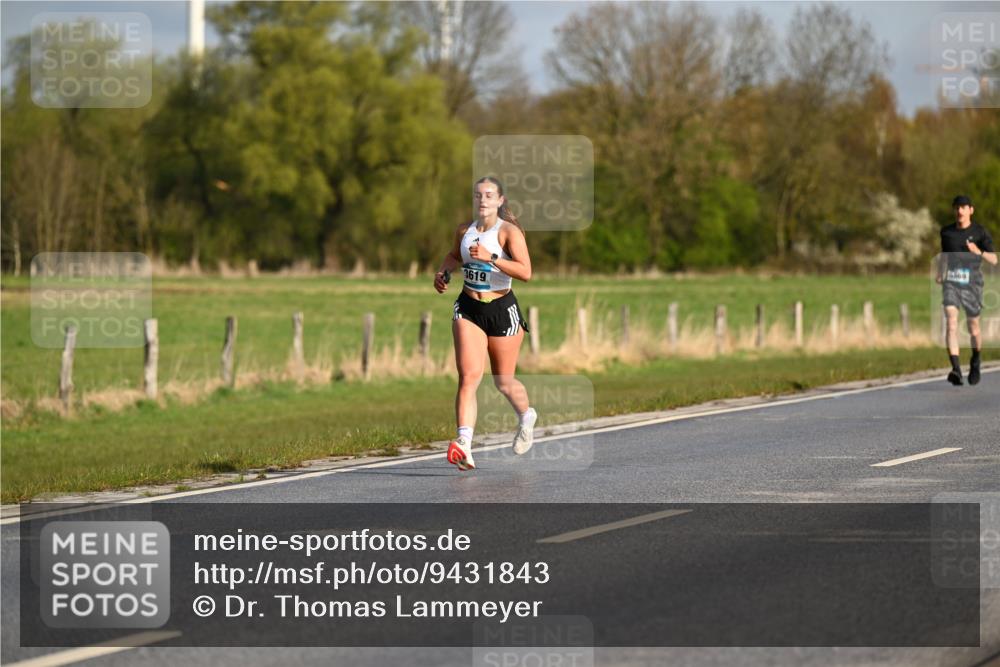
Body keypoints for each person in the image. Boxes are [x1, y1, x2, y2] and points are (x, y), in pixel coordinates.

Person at [433, 177, 537, 471]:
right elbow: (453, 256)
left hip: (502, 310)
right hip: (468, 307)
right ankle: (463, 443)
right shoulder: (464, 231)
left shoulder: (508, 232)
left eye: (489, 195)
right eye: (478, 195)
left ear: (500, 201)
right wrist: (443, 272)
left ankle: (527, 416)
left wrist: (491, 258)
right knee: (469, 376)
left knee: (503, 380)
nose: (483, 200)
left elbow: (526, 271)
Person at [937, 195, 997, 385]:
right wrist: (940, 273)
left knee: (973, 327)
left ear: (971, 210)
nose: (959, 211)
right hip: (952, 282)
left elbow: (994, 260)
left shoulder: (980, 232)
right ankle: (955, 369)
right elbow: (944, 256)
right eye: (956, 207)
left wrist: (978, 252)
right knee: (951, 322)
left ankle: (976, 360)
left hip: (973, 284)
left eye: (963, 207)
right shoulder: (946, 233)